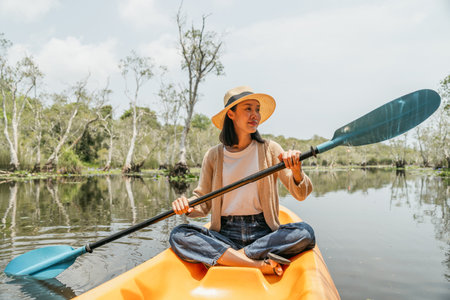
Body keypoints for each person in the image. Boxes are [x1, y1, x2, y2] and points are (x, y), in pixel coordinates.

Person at [169, 86, 315, 276]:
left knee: (305, 232)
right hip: (225, 234)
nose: (255, 115)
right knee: (179, 234)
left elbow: (301, 194)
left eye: (257, 109)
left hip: (263, 234)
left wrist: (296, 171)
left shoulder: (270, 149)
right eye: (248, 109)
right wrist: (187, 205)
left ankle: (230, 259)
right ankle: (255, 264)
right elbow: (202, 204)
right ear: (231, 114)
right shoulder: (214, 155)